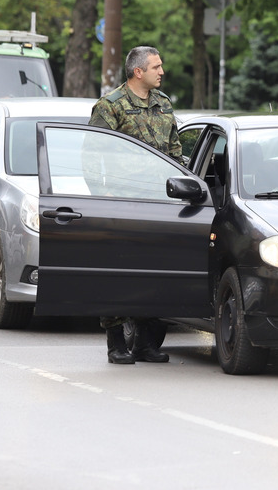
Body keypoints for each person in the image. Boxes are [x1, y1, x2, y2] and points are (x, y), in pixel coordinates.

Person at [89, 45, 182, 364]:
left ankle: (146, 343)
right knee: (119, 273)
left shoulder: (164, 104)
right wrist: (103, 195)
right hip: (122, 204)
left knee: (157, 273)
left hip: (160, 204)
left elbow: (174, 152)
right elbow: (91, 155)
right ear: (138, 72)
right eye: (156, 66)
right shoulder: (110, 106)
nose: (162, 71)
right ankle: (116, 344)